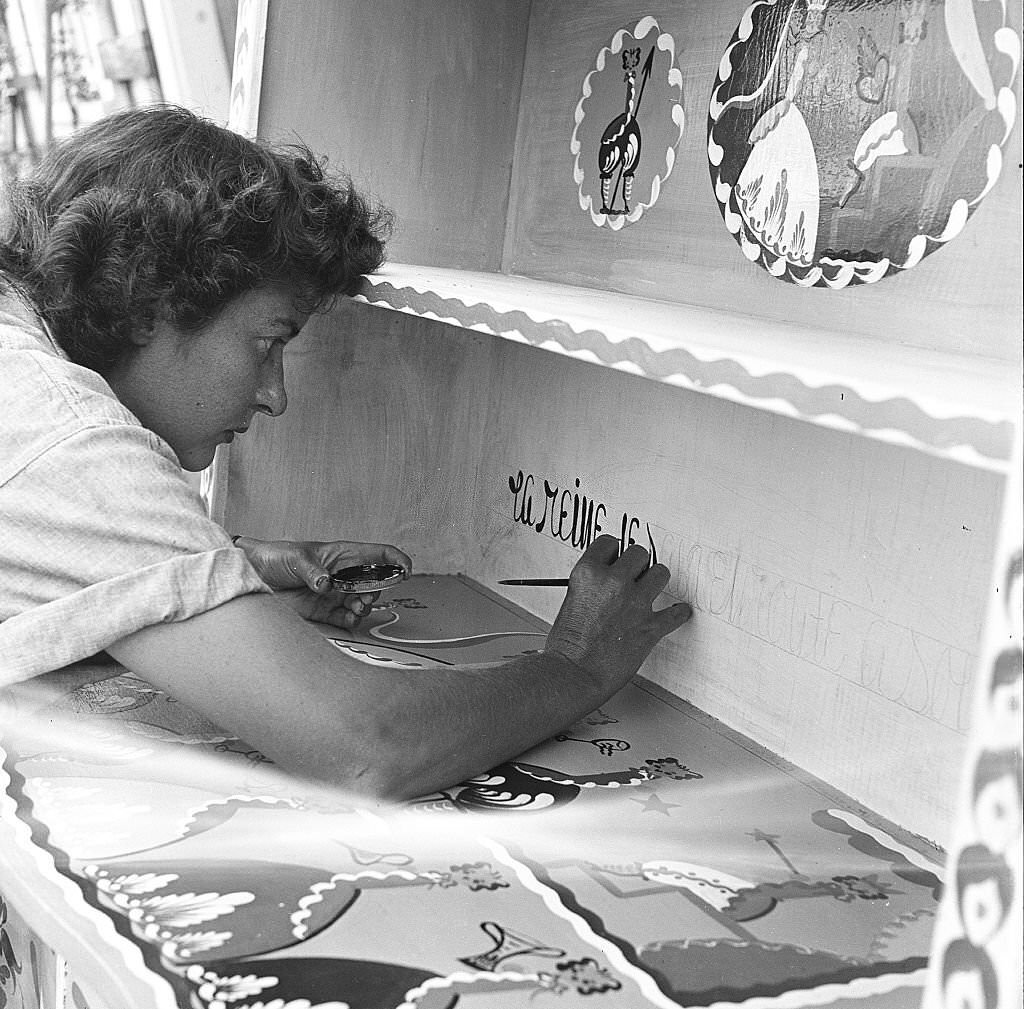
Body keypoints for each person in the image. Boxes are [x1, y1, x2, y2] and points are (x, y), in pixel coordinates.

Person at [0, 106, 691, 801]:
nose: (275, 396)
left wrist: (225, 572)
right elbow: (363, 747)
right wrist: (577, 666)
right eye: (269, 341)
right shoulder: (70, 436)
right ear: (150, 300)